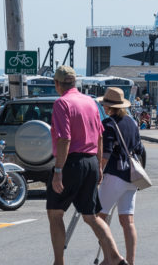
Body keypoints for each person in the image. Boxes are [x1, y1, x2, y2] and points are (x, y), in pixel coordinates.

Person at [46, 66, 127, 265]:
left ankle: (59, 262)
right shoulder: (90, 102)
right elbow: (99, 135)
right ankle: (115, 257)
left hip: (71, 162)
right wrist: (99, 166)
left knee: (55, 213)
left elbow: (64, 138)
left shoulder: (62, 103)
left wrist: (58, 171)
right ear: (74, 83)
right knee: (91, 216)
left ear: (57, 84)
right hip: (91, 161)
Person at [97, 87, 146, 265]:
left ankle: (111, 258)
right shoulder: (132, 122)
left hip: (114, 175)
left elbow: (106, 154)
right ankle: (130, 261)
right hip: (131, 177)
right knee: (128, 220)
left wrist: (98, 174)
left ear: (108, 106)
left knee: (98, 218)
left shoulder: (108, 124)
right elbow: (140, 149)